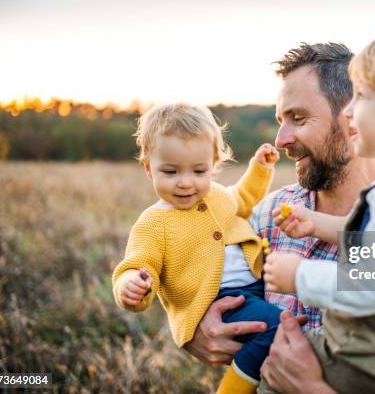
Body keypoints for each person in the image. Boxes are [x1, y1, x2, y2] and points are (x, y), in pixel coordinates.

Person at [184, 43, 375, 393]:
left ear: (350, 115)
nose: (281, 139)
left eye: (299, 118)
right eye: (280, 121)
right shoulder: (270, 215)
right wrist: (194, 329)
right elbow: (215, 285)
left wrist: (312, 388)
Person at [111, 103, 283, 394]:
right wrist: (131, 286)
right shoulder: (154, 222)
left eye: (199, 170)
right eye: (170, 171)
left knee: (277, 328)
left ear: (214, 164)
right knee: (276, 326)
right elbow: (137, 265)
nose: (186, 182)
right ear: (148, 168)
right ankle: (231, 390)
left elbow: (243, 197)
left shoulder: (217, 196)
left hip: (255, 287)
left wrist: (260, 168)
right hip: (219, 299)